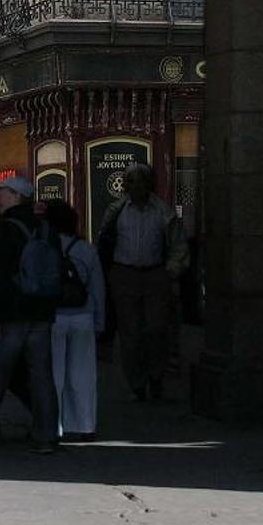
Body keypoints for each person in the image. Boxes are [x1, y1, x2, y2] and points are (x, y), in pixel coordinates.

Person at [0, 176, 60, 453]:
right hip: (42, 312)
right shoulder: (45, 228)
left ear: (16, 196)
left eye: (2, 193)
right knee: (41, 375)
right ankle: (46, 436)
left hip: (11, 314)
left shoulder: (5, 229)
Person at [97, 163, 187, 402]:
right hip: (124, 275)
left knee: (157, 329)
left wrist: (171, 270)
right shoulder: (117, 211)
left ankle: (156, 376)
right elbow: (103, 240)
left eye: (141, 181)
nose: (136, 187)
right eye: (132, 182)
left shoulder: (163, 212)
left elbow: (179, 245)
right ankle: (137, 383)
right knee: (130, 333)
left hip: (155, 275)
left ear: (149, 184)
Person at [47, 201, 106, 440]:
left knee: (54, 374)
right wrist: (100, 322)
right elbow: (98, 289)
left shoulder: (45, 247)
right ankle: (83, 425)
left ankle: (54, 424)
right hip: (83, 316)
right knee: (83, 373)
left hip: (54, 317)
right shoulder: (87, 249)